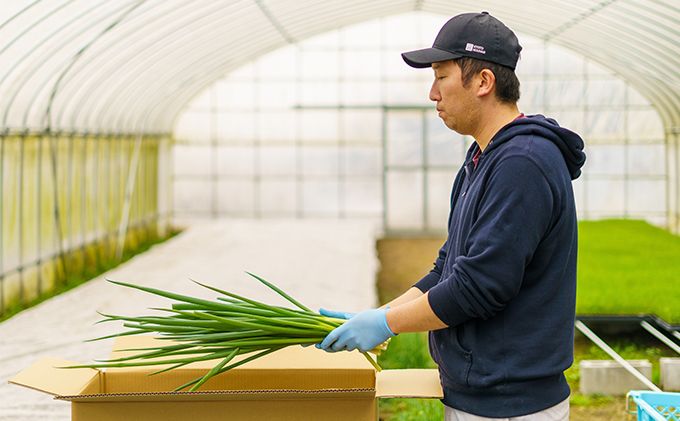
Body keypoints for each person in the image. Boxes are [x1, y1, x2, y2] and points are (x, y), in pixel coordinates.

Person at [317, 11, 586, 421]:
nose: (432, 93)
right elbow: (450, 267)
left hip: (510, 406)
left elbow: (477, 286)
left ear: (482, 82)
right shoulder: (483, 157)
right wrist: (377, 315)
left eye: (441, 76)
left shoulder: (523, 164)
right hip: (476, 394)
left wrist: (387, 324)